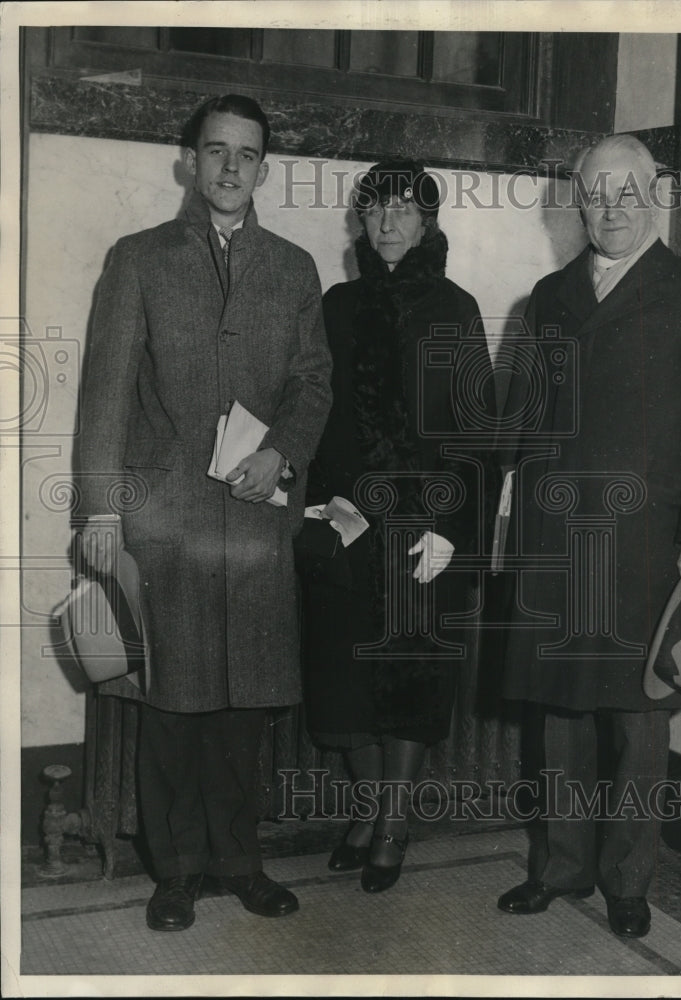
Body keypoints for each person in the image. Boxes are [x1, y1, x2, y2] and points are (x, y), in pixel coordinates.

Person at [75, 94, 332, 931]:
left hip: (256, 521)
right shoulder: (139, 258)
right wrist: (102, 513)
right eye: (215, 151)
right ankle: (175, 871)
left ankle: (240, 862)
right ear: (189, 160)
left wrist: (282, 452)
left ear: (264, 167)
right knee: (174, 706)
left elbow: (314, 382)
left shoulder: (295, 268)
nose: (230, 167)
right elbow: (105, 394)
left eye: (247, 155)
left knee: (245, 708)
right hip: (165, 519)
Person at [496, 135, 681, 937]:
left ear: (655, 196)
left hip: (647, 540)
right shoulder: (548, 294)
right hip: (556, 533)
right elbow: (528, 422)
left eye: (626, 192)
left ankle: (630, 880)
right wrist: (512, 520)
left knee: (638, 723)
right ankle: (560, 867)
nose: (610, 207)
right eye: (596, 193)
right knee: (560, 713)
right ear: (579, 201)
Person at [299, 161, 495, 893]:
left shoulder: (456, 307)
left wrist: (453, 526)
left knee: (412, 678)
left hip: (424, 529)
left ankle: (391, 823)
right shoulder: (338, 305)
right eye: (376, 208)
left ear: (428, 224)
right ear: (360, 220)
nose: (388, 222)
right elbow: (312, 409)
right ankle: (374, 805)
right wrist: (321, 502)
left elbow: (479, 432)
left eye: (405, 210)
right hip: (348, 523)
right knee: (341, 677)